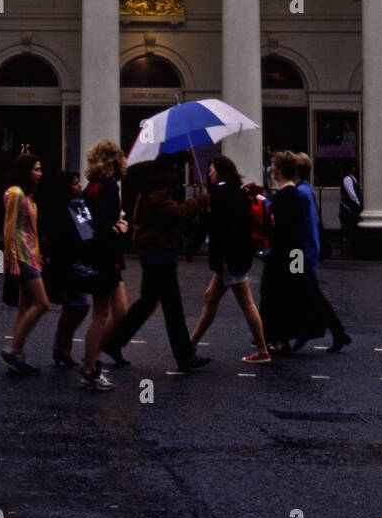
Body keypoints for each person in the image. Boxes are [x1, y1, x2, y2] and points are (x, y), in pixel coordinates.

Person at [102, 156, 210, 374]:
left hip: (156, 253)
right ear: (160, 173)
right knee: (172, 306)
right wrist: (200, 202)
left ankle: (114, 342)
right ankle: (184, 355)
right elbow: (177, 214)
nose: (176, 175)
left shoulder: (157, 192)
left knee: (147, 303)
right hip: (158, 254)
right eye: (173, 171)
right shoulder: (155, 195)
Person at [261, 151, 351, 355]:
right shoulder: (303, 189)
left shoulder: (299, 192)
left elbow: (302, 226)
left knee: (306, 292)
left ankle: (316, 331)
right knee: (308, 292)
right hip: (303, 250)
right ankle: (332, 332)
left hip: (300, 252)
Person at [188, 154, 271, 364]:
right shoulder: (238, 192)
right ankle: (191, 343)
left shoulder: (219, 193)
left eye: (212, 169)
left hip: (228, 258)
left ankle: (262, 350)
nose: (209, 172)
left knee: (246, 303)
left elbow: (209, 226)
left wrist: (191, 246)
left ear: (221, 171)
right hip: (237, 255)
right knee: (210, 298)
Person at [82, 139, 130, 370]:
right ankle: (91, 366)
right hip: (106, 255)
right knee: (100, 314)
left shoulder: (91, 186)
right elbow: (102, 223)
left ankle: (94, 356)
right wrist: (117, 228)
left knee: (120, 310)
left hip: (103, 255)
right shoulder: (109, 185)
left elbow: (89, 221)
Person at [0, 154, 48, 376]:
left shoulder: (28, 196)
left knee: (24, 306)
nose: (40, 173)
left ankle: (17, 356)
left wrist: (39, 256)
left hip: (31, 256)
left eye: (40, 169)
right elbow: (9, 228)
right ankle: (12, 349)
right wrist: (11, 260)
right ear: (26, 171)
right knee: (42, 304)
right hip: (21, 257)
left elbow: (31, 231)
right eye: (36, 169)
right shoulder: (15, 194)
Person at [43, 170, 93, 372]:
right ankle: (62, 347)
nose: (79, 186)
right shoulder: (61, 209)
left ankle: (62, 348)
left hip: (74, 262)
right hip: (66, 264)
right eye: (74, 184)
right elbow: (59, 239)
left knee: (71, 307)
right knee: (80, 305)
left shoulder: (78, 205)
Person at [339, 163, 362, 246]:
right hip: (348, 205)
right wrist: (357, 201)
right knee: (348, 222)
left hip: (350, 205)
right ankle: (346, 240)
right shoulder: (348, 179)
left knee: (351, 222)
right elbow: (351, 192)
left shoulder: (353, 178)